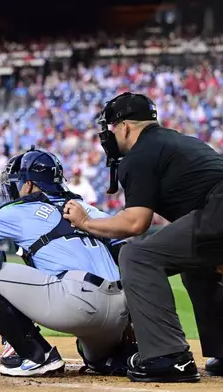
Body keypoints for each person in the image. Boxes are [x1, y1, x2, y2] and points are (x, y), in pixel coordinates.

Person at [64, 92, 223, 383]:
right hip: (215, 213)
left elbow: (136, 223)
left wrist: (86, 221)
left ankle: (169, 356)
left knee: (137, 256)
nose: (110, 135)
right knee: (194, 266)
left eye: (112, 128)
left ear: (124, 126)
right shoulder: (178, 142)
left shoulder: (139, 155)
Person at [0, 148, 133, 377]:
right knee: (97, 358)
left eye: (18, 182)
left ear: (29, 185)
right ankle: (120, 355)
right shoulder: (90, 210)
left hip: (77, 304)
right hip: (119, 312)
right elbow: (127, 257)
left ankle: (36, 356)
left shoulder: (21, 210)